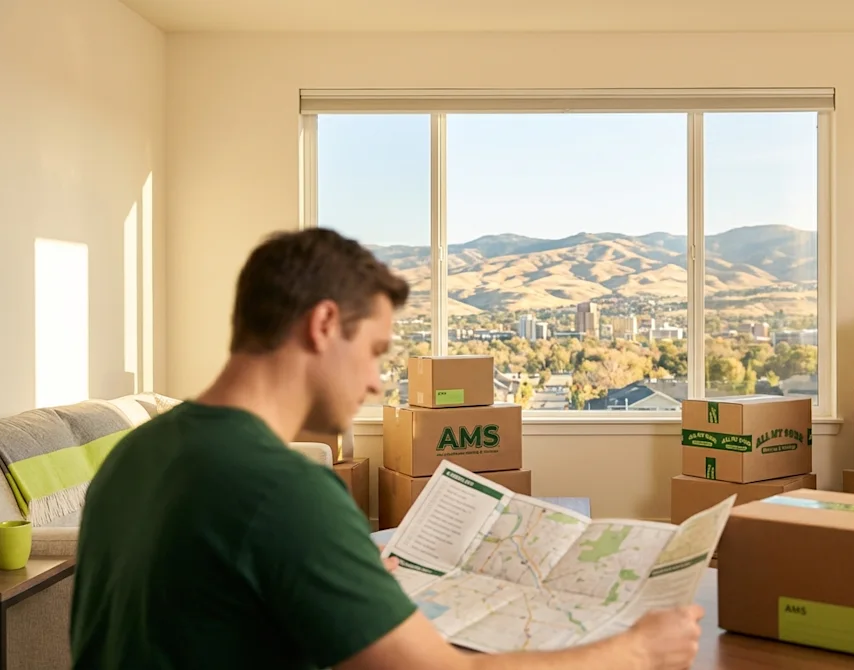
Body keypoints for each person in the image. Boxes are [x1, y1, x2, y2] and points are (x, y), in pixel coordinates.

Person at [70, 228, 704, 670]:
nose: (376, 381)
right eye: (374, 351)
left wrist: (349, 582)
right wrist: (641, 652)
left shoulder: (134, 455)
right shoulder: (282, 489)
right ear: (322, 326)